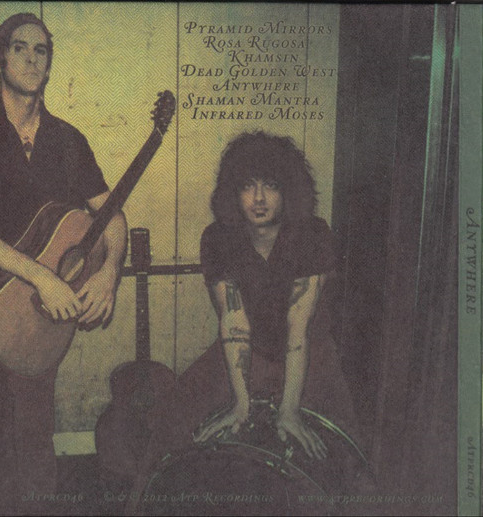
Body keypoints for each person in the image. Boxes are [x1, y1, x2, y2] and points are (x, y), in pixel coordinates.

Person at [0, 13, 127, 510]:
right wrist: (43, 278)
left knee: (37, 425)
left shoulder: (67, 139)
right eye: (19, 48)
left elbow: (112, 214)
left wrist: (109, 274)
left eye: (41, 50)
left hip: (42, 309)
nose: (32, 59)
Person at [128, 131, 363, 509]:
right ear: (232, 193)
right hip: (242, 350)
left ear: (289, 191)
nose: (258, 198)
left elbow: (298, 328)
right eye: (247, 186)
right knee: (174, 421)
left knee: (338, 457)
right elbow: (234, 322)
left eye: (271, 186)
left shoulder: (313, 234)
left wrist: (289, 409)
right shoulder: (218, 238)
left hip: (308, 355)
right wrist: (241, 403)